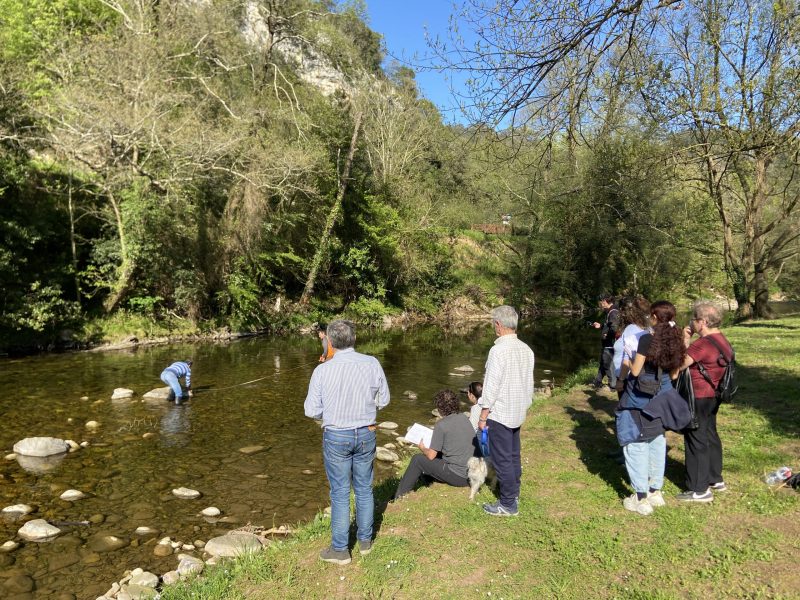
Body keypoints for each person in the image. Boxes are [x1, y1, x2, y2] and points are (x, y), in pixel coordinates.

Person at [303, 320, 390, 565]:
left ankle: (340, 550)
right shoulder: (372, 363)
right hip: (365, 432)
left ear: (330, 342)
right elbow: (384, 400)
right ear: (354, 339)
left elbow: (311, 410)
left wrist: (328, 414)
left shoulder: (322, 370)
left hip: (336, 435)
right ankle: (365, 542)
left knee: (340, 492)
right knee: (364, 487)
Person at [617, 300, 685, 516]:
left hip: (640, 400)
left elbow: (635, 372)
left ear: (654, 317)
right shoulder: (676, 339)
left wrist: (627, 360)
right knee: (657, 441)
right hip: (662, 398)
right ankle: (656, 491)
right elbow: (675, 374)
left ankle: (640, 498)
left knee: (635, 442)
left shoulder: (647, 339)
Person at [477, 305, 535, 517]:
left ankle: (508, 504)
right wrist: (525, 404)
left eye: (494, 323)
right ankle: (514, 493)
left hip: (500, 413)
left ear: (499, 325)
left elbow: (491, 386)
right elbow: (529, 384)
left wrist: (483, 415)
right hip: (517, 411)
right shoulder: (526, 349)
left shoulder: (498, 350)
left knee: (502, 459)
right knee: (513, 455)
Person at [676, 302, 732, 502]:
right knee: (710, 434)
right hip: (713, 395)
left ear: (703, 322)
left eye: (694, 318)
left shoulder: (702, 344)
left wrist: (685, 339)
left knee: (695, 438)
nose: (691, 321)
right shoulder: (722, 339)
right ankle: (715, 478)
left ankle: (700, 490)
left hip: (698, 396)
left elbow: (679, 364)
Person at [394, 389, 477, 499]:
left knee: (417, 459)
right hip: (473, 473)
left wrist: (422, 447)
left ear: (439, 408)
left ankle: (399, 496)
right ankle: (428, 480)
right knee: (438, 453)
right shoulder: (463, 417)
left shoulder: (441, 424)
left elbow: (430, 456)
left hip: (460, 477)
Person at [592, 295, 621, 390]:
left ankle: (613, 385)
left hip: (610, 344)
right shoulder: (610, 312)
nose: (600, 304)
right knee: (603, 362)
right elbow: (609, 326)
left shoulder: (613, 313)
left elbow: (614, 329)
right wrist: (601, 326)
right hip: (608, 343)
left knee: (607, 363)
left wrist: (606, 335)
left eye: (601, 302)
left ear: (605, 301)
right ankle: (597, 381)